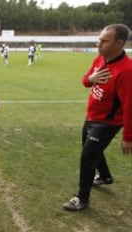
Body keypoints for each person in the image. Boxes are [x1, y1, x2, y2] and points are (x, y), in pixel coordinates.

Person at [63, 24, 132, 211]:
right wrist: (91, 79)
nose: (98, 44)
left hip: (107, 122)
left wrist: (128, 138)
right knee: (92, 149)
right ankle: (105, 176)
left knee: (88, 156)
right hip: (92, 116)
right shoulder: (99, 59)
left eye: (104, 41)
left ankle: (82, 199)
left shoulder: (127, 70)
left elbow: (129, 106)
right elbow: (85, 81)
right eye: (99, 39)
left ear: (119, 43)